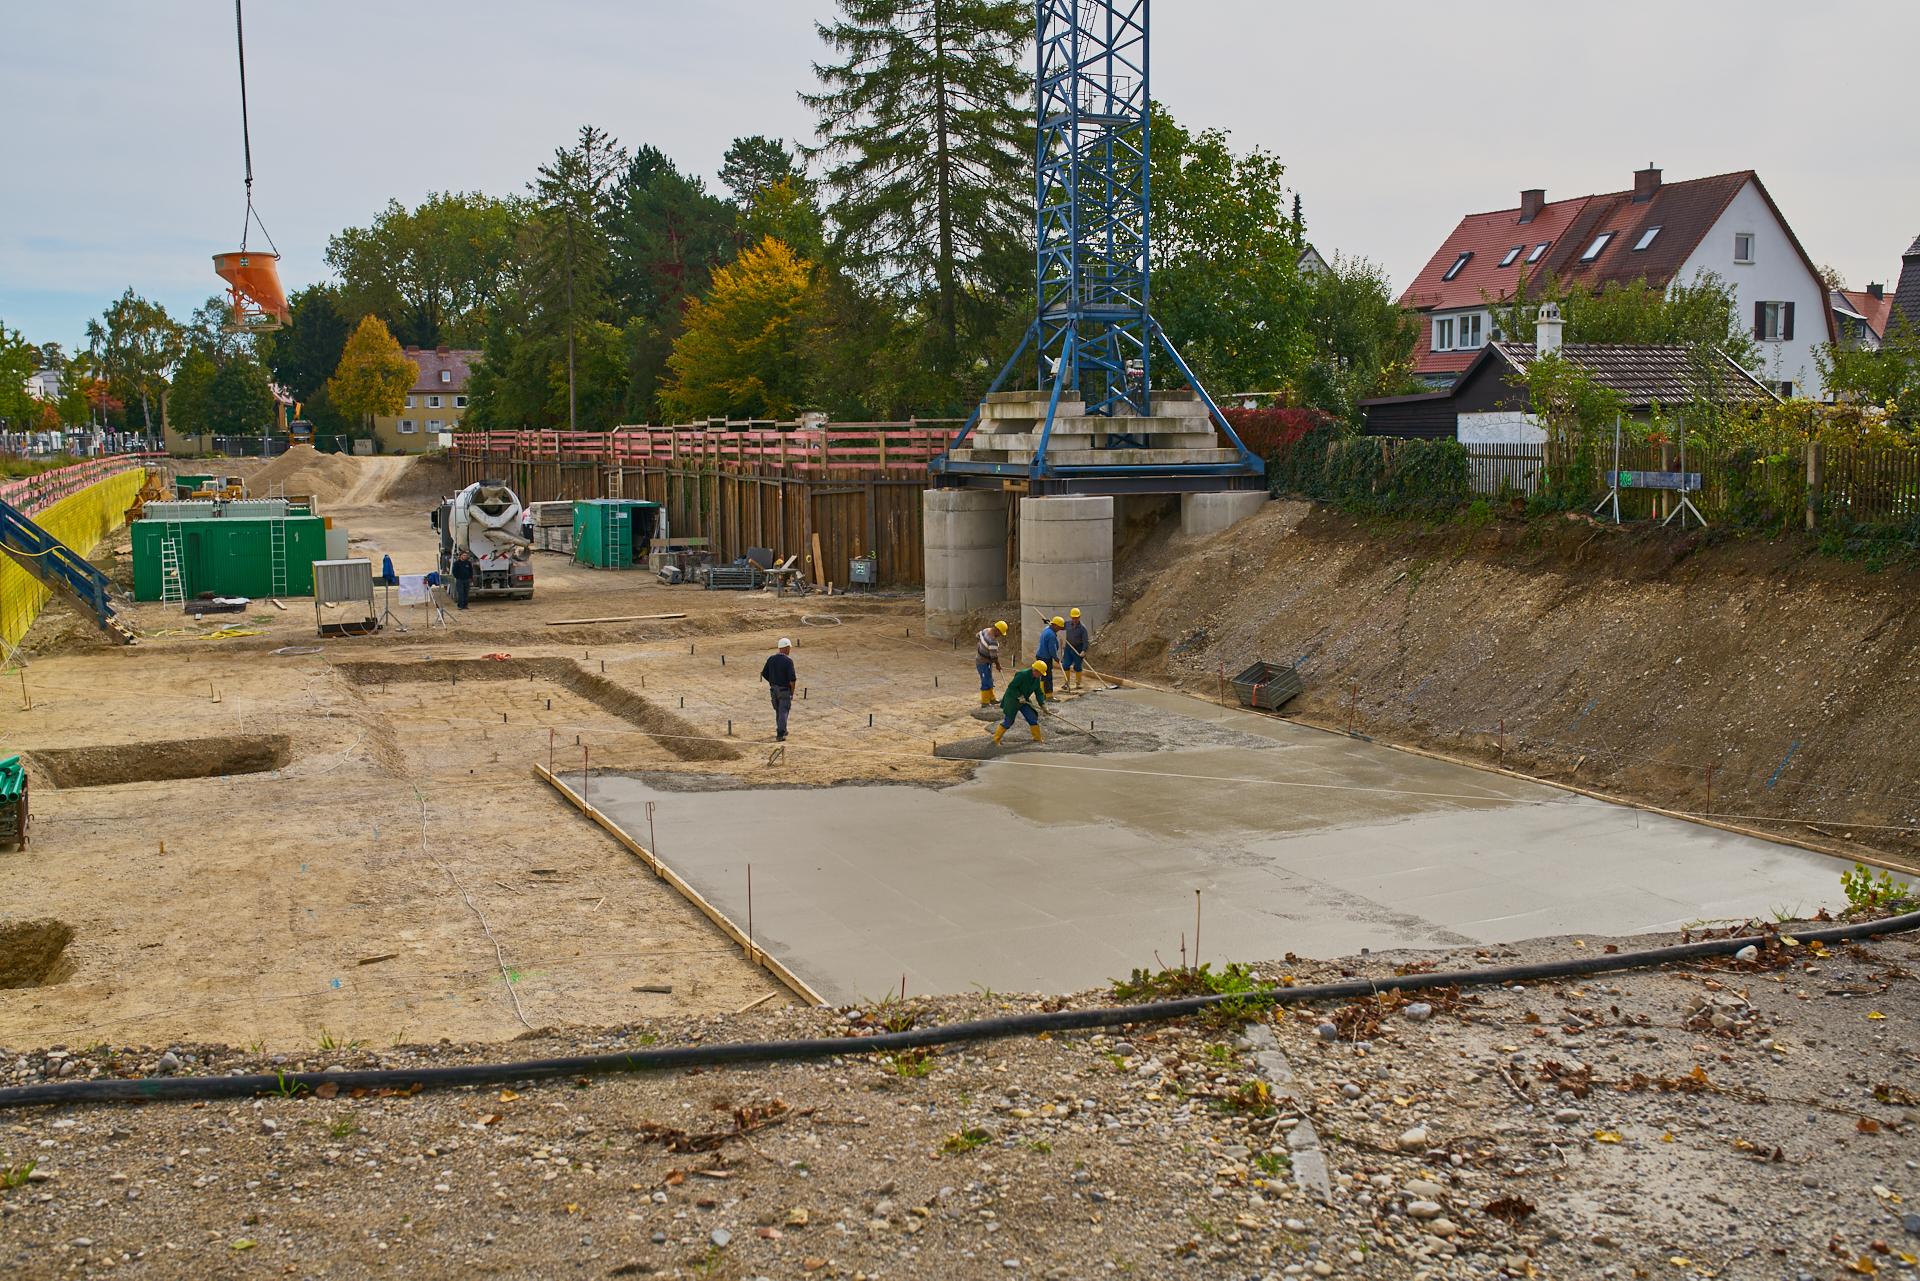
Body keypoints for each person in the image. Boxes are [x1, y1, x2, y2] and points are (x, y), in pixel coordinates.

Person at [993, 660, 1049, 745]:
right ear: (1035, 671)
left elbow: (1039, 692)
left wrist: (1043, 704)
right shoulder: (1022, 674)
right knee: (1009, 721)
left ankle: (1038, 740)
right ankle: (996, 740)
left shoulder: (1037, 679)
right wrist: (1019, 696)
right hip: (1012, 700)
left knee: (1033, 718)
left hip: (1024, 700)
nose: (1041, 675)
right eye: (1040, 673)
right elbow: (1012, 686)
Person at [760, 637, 797, 741]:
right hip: (784, 690)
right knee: (784, 710)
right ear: (786, 648)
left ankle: (782, 728)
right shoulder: (788, 661)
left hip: (773, 689)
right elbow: (792, 678)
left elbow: (764, 673)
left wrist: (773, 682)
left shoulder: (771, 659)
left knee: (778, 710)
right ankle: (780, 733)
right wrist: (792, 691)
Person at [974, 620, 1008, 706]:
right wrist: (998, 665)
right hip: (983, 662)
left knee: (989, 678)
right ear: (996, 630)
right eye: (1000, 633)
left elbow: (977, 635)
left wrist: (982, 644)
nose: (1000, 635)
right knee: (985, 681)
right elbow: (994, 656)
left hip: (984, 660)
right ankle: (985, 703)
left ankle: (992, 699)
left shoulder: (986, 630)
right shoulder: (993, 641)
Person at [1035, 616, 1064, 695]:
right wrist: (1056, 658)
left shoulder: (1046, 629)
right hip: (1046, 658)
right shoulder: (1051, 635)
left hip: (1040, 655)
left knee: (1042, 676)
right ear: (1055, 625)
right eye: (1059, 628)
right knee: (1048, 677)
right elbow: (1052, 649)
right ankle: (1049, 695)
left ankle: (1042, 694)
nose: (1059, 630)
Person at [1062, 607, 1089, 691]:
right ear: (1071, 617)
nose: (1074, 620)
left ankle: (1078, 683)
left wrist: (1083, 651)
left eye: (1076, 618)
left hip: (1078, 648)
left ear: (1079, 617)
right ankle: (1066, 683)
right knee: (1066, 665)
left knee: (1077, 666)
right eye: (1073, 618)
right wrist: (1051, 623)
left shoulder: (1082, 628)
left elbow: (1086, 640)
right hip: (1068, 648)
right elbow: (1058, 626)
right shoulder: (1067, 624)